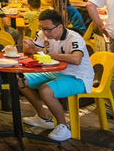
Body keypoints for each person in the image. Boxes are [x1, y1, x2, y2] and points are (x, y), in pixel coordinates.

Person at [20, 9, 94, 142]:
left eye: (48, 29)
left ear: (60, 26)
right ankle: (43, 118)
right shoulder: (43, 34)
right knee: (19, 80)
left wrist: (51, 55)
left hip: (78, 77)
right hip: (54, 72)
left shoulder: (74, 38)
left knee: (45, 91)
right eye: (42, 29)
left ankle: (64, 126)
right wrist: (28, 47)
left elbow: (76, 59)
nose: (45, 33)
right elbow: (32, 52)